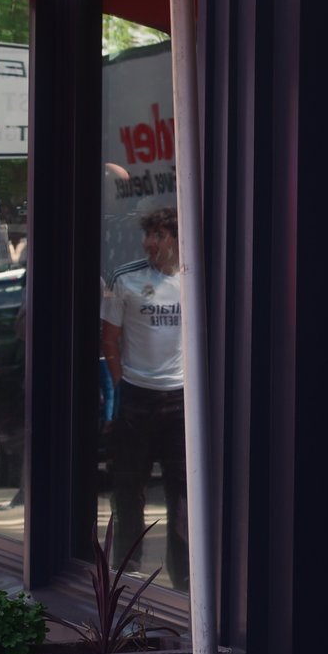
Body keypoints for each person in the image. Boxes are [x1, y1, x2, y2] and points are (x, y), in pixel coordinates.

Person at [100, 205, 188, 589]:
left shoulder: (194, 277)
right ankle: (127, 567)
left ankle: (185, 576)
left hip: (182, 399)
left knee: (183, 490)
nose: (148, 243)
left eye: (158, 235)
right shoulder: (127, 279)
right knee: (128, 484)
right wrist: (122, 383)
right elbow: (109, 337)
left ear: (176, 239)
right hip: (137, 396)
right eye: (147, 235)